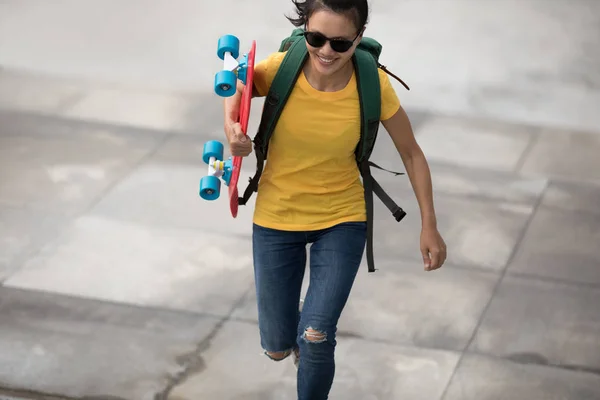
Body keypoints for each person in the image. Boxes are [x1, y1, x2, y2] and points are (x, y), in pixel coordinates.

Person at [222, 0, 447, 398]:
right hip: (277, 217)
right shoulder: (280, 70)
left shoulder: (371, 83)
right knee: (277, 347)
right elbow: (234, 83)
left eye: (340, 44)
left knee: (315, 336)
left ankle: (313, 328)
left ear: (357, 39)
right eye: (316, 38)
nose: (326, 51)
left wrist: (429, 225)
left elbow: (412, 153)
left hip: (342, 217)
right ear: (305, 28)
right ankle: (295, 334)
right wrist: (232, 129)